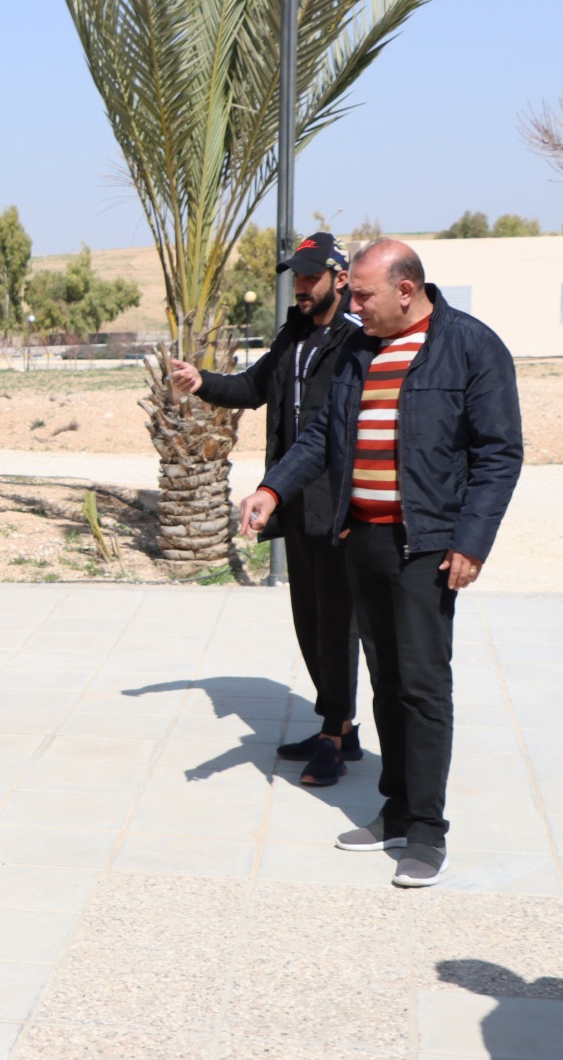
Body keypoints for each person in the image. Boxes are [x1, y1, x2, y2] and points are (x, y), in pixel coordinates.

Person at [239, 240, 522, 887]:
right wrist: (273, 487)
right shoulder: (358, 352)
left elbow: (498, 453)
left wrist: (471, 540)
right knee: (386, 682)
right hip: (360, 539)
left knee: (423, 686)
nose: (353, 304)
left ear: (406, 288)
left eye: (363, 294)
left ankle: (427, 829)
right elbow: (321, 436)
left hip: (424, 545)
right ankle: (395, 808)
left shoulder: (471, 347)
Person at [171, 233, 362, 786]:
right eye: (296, 277)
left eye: (310, 277)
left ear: (340, 279)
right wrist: (202, 381)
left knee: (337, 626)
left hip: (337, 505)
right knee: (309, 621)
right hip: (294, 501)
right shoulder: (293, 336)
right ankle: (340, 727)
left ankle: (334, 731)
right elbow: (253, 388)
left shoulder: (355, 341)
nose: (300, 286)